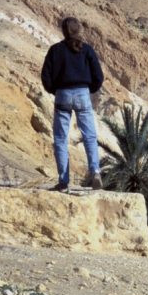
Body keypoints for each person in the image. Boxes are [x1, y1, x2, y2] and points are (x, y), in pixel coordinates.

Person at [41, 17, 105, 192]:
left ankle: (63, 181)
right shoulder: (87, 50)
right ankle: (96, 172)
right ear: (79, 30)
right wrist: (89, 88)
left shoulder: (55, 50)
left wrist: (56, 90)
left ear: (64, 31)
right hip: (83, 93)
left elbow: (45, 76)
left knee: (61, 139)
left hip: (62, 94)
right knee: (89, 136)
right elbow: (98, 76)